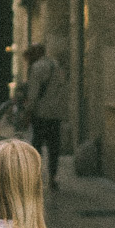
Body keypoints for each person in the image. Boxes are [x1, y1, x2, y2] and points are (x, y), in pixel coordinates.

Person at [21, 42, 66, 190]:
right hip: (55, 114)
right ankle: (53, 178)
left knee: (36, 147)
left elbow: (33, 95)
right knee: (54, 147)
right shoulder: (57, 66)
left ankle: (35, 178)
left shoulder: (37, 68)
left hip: (41, 114)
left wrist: (28, 112)